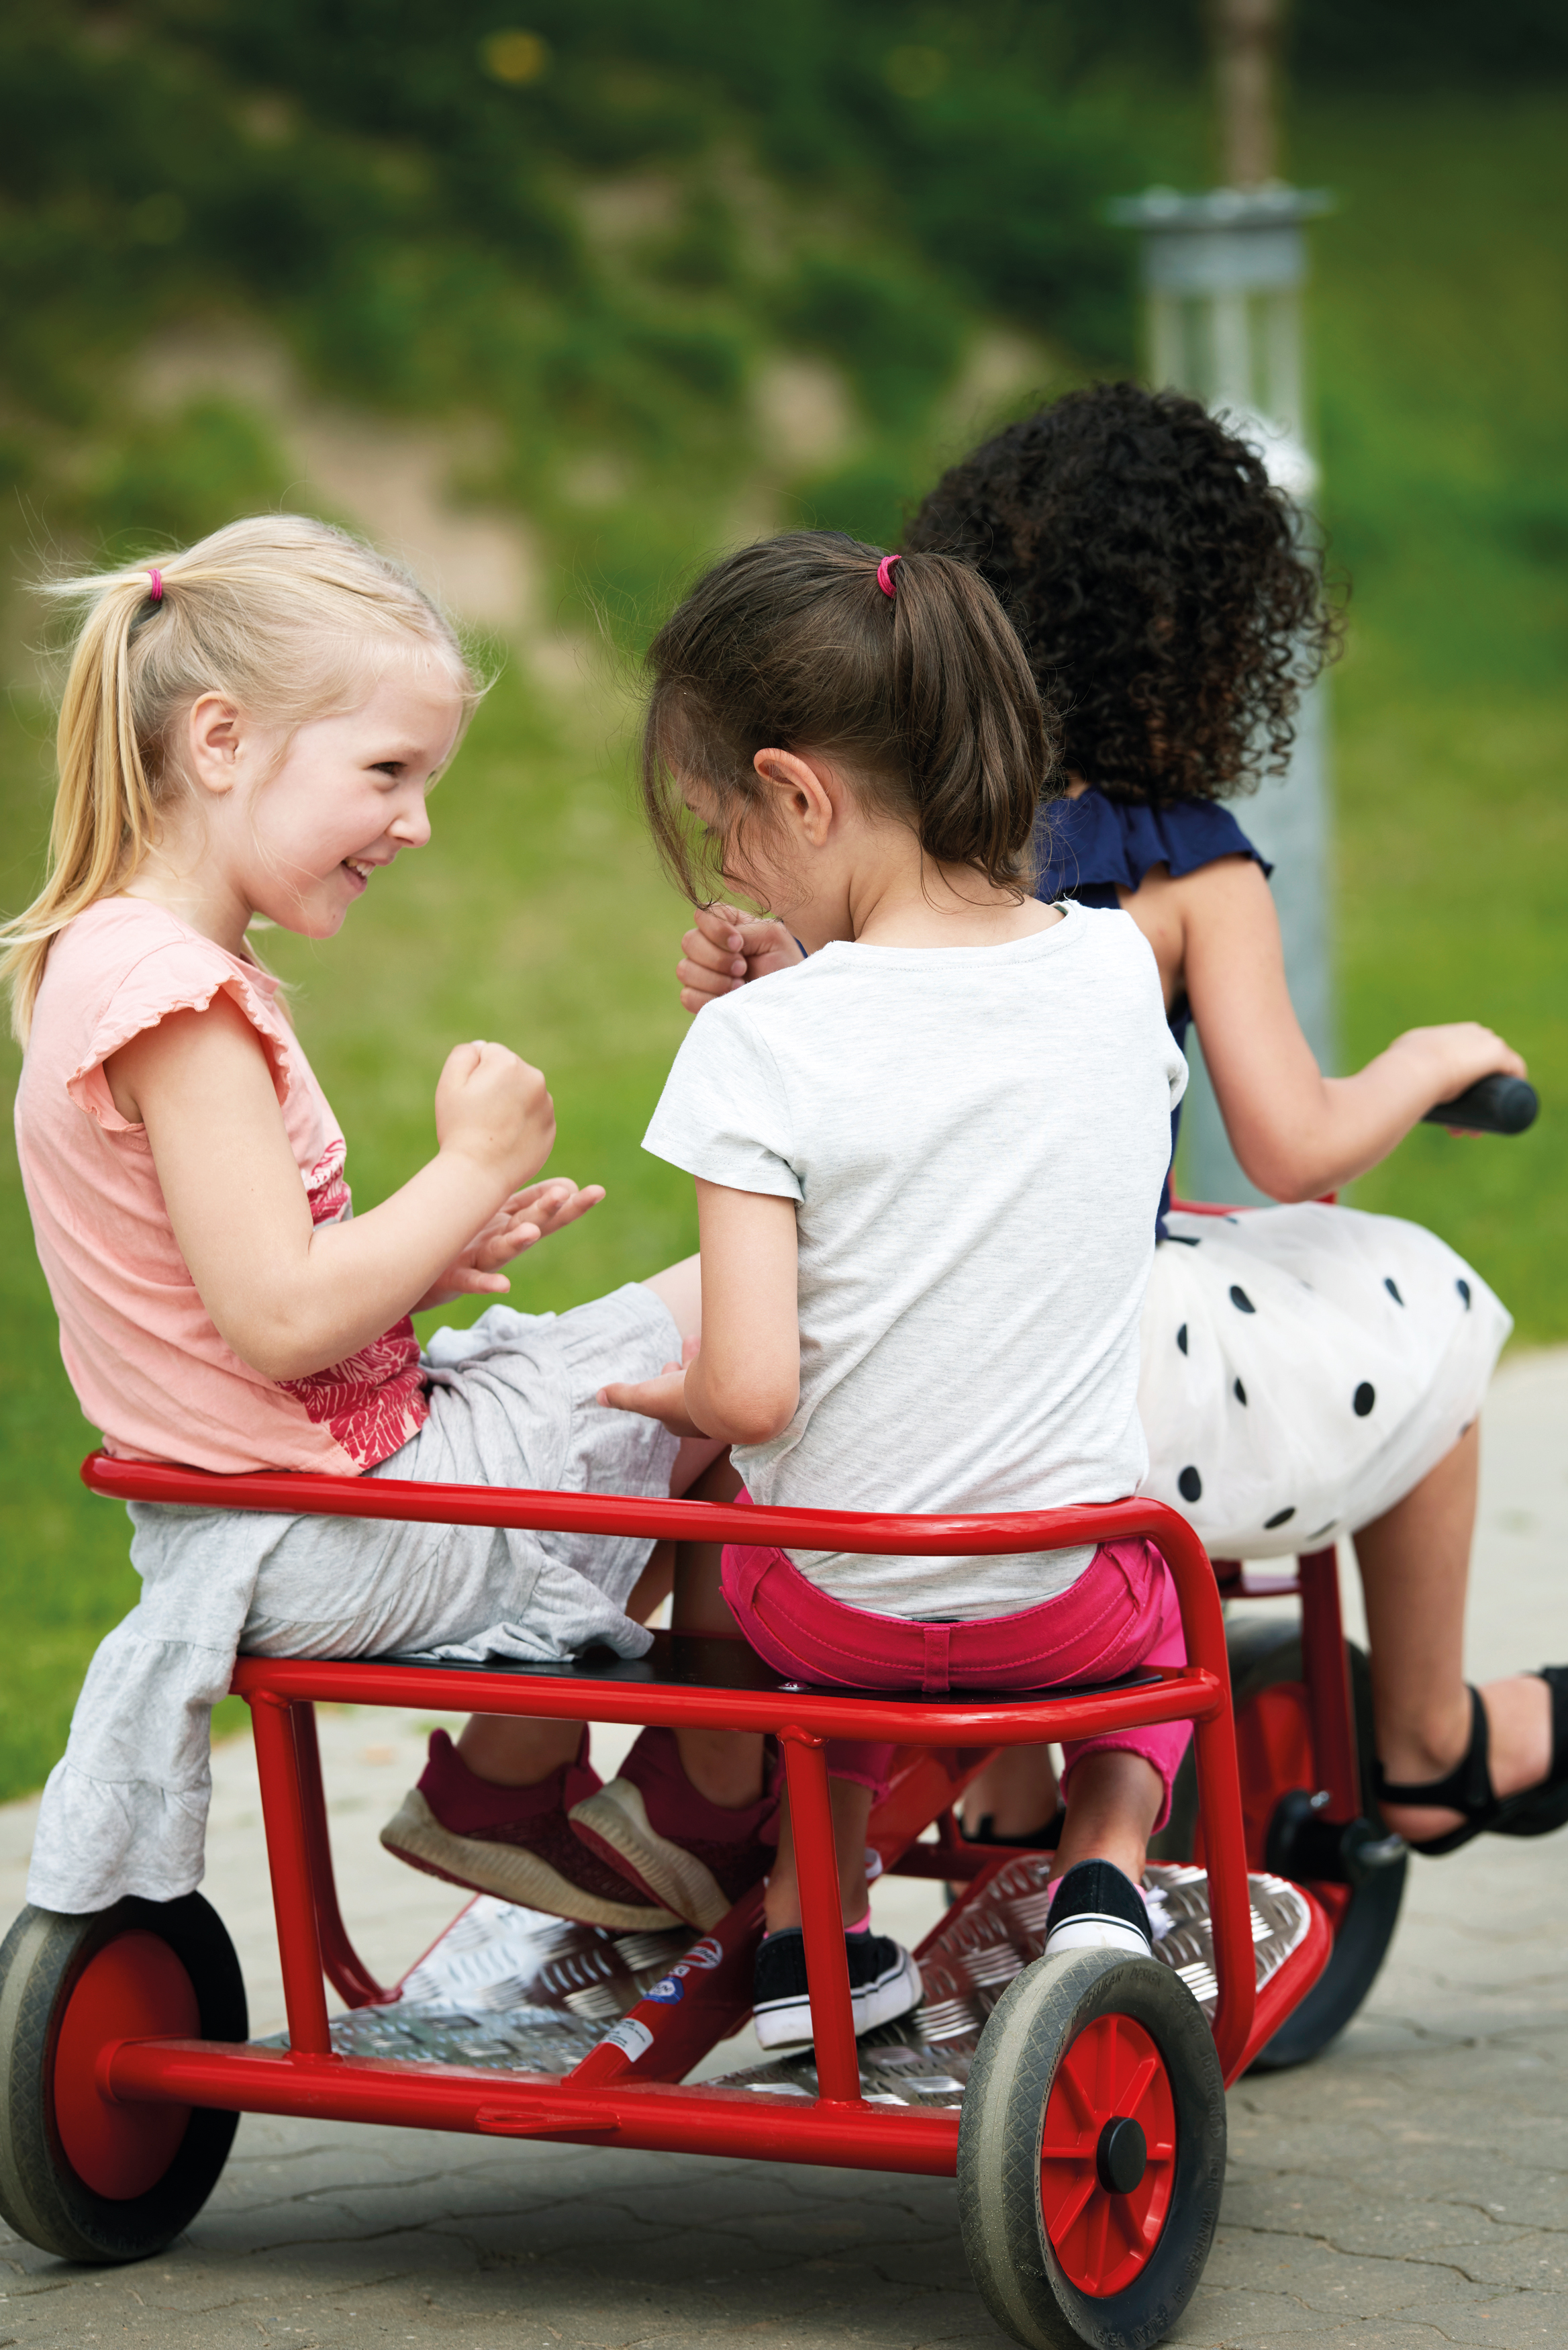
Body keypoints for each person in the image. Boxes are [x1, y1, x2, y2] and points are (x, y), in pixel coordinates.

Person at [676, 385, 1567, 1863]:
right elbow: (1291, 1147)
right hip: (1108, 1371)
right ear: (1217, 643)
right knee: (1432, 1311)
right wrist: (1423, 1061)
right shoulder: (1190, 867)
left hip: (896, 1345)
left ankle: (924, 1787)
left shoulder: (905, 842)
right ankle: (1421, 1738)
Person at [4, 516, 765, 1926]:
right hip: (341, 1536)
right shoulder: (184, 1009)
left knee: (674, 1373)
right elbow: (281, 1313)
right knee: (760, 1311)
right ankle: (706, 1792)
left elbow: (217, 1302)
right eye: (387, 773)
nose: (416, 823)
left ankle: (526, 1780)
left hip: (255, 1520)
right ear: (220, 742)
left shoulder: (105, 961)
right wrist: (467, 1167)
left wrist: (426, 1262)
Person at [598, 530, 1191, 2053]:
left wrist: (656, 1397)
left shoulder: (756, 1047)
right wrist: (802, 976)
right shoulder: (1120, 969)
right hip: (1066, 1605)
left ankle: (819, 1930)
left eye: (722, 823)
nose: (726, 863)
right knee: (1170, 1610)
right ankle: (1105, 1878)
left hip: (833, 1620)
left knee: (762, 1533)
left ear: (799, 792)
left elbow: (746, 1393)